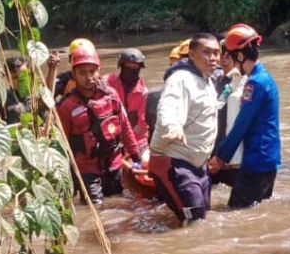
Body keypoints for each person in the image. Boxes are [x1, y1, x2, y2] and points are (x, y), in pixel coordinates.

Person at [56, 44, 144, 206]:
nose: (88, 77)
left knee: (121, 206)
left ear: (98, 71)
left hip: (114, 166)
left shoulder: (111, 95)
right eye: (82, 72)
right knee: (95, 210)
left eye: (92, 71)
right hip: (87, 171)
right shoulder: (67, 106)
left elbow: (125, 128)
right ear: (74, 74)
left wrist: (136, 157)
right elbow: (63, 144)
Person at [149, 33, 221, 223]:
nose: (212, 58)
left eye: (216, 53)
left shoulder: (207, 80)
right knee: (194, 220)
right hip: (174, 160)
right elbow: (168, 105)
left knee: (203, 216)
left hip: (198, 164)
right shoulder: (180, 79)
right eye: (206, 52)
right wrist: (173, 125)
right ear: (191, 54)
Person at [208, 24, 280, 209]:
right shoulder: (265, 78)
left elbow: (242, 124)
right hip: (267, 159)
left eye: (231, 56)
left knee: (234, 211)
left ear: (240, 56)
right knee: (255, 212)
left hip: (256, 161)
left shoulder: (254, 84)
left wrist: (220, 157)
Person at [210, 39, 245, 187]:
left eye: (228, 55)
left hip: (230, 144)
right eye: (221, 55)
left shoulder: (239, 81)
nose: (224, 59)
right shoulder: (216, 80)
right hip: (216, 141)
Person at [105, 48, 149, 151]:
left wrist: (127, 143)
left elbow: (142, 126)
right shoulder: (108, 82)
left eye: (135, 67)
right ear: (121, 66)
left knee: (145, 161)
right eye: (128, 66)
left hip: (137, 141)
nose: (131, 70)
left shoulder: (144, 93)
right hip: (110, 135)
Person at [0, 56, 31, 124]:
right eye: (15, 77)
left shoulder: (38, 96)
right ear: (8, 78)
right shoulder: (0, 100)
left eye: (24, 75)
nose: (20, 80)